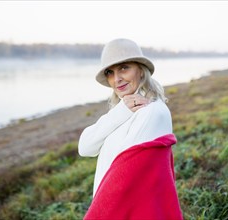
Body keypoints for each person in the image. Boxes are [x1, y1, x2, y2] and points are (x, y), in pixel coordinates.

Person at [78, 38, 183, 219]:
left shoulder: (151, 112)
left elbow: (123, 180)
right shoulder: (123, 110)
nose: (116, 79)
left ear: (141, 70)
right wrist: (120, 111)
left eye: (124, 68)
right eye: (110, 72)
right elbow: (85, 147)